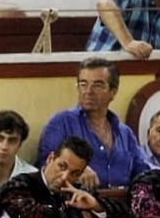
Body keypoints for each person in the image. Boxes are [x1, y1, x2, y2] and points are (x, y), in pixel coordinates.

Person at [36, 56, 153, 187]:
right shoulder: (62, 123)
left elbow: (144, 171)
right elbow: (45, 165)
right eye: (83, 84)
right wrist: (77, 171)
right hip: (74, 202)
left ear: (113, 92)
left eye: (97, 85)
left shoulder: (125, 133)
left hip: (120, 204)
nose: (88, 91)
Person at [0, 135, 125, 218]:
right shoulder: (19, 185)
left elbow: (124, 212)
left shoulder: (77, 191)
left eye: (75, 173)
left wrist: (96, 205)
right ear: (50, 158)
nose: (65, 177)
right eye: (62, 166)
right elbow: (33, 215)